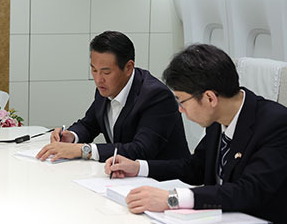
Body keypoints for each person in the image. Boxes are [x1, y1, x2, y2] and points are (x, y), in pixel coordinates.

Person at [105, 44, 287, 223]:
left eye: (182, 101)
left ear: (210, 98)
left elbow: (248, 191)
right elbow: (195, 167)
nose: (180, 110)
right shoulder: (218, 118)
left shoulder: (276, 124)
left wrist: (172, 199)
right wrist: (138, 167)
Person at [37, 31, 189, 162]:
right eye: (94, 70)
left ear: (128, 67)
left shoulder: (155, 95)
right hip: (125, 177)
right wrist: (71, 136)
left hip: (163, 182)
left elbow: (141, 149)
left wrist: (84, 150)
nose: (98, 79)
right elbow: (89, 124)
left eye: (106, 72)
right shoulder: (105, 88)